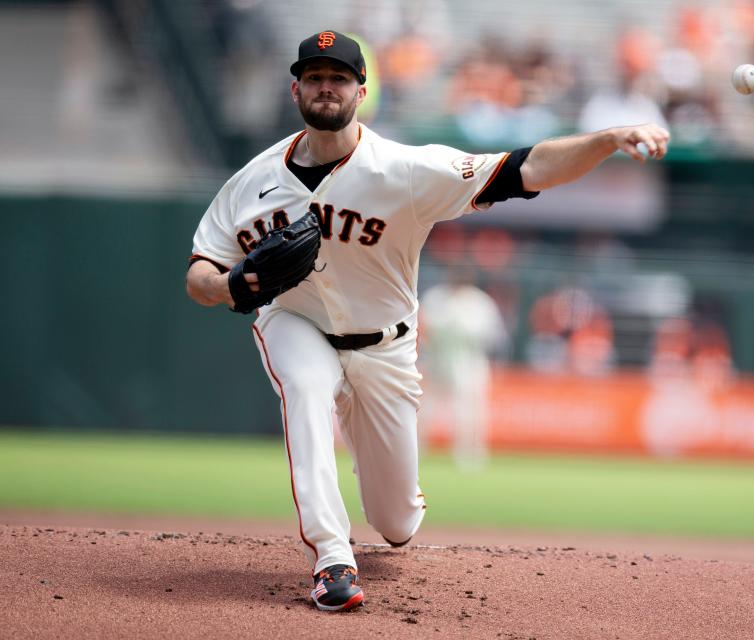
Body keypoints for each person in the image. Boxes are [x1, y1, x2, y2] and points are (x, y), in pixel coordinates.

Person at [184, 30, 670, 612]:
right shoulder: (250, 183)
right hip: (297, 322)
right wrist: (229, 285)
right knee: (305, 389)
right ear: (295, 89)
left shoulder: (406, 169)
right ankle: (332, 559)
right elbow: (200, 271)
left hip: (386, 346)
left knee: (396, 523)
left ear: (361, 90)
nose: (326, 87)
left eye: (338, 77)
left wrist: (610, 137)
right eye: (314, 77)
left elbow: (527, 168)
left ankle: (383, 506)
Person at [418, 267, 507, 470]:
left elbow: (492, 335)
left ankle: (470, 453)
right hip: (437, 359)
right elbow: (423, 327)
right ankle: (415, 450)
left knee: (470, 410)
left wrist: (461, 331)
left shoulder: (479, 302)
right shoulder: (436, 297)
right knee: (425, 409)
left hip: (469, 360)